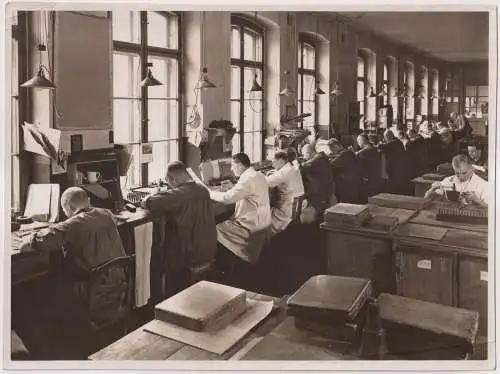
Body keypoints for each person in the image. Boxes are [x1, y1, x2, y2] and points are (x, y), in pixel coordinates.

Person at [19, 187, 126, 326]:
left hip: (95, 291)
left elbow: (41, 241)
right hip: (119, 284)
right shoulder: (107, 214)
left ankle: (64, 333)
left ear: (68, 207)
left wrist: (28, 240)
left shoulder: (75, 223)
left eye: (64, 211)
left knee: (46, 287)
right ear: (87, 201)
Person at [141, 161, 217, 295]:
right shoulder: (203, 189)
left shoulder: (179, 194)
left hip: (188, 257)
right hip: (207, 252)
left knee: (157, 257)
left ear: (172, 179)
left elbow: (149, 202)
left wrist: (149, 196)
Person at [209, 153, 271, 269]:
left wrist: (209, 192)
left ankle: (223, 265)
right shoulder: (258, 175)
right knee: (225, 220)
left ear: (240, 165)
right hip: (264, 222)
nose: (231, 169)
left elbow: (227, 198)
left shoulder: (248, 179)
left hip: (251, 226)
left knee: (215, 229)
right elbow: (244, 191)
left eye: (233, 165)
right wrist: (232, 188)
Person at [424, 154, 488, 207]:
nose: (461, 177)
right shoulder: (448, 180)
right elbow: (425, 199)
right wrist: (431, 190)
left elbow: (492, 211)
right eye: (457, 173)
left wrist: (477, 200)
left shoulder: (483, 184)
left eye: (464, 173)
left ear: (471, 168)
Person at [266, 151, 304, 235]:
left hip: (286, 209)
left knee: (262, 219)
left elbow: (266, 182)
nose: (272, 165)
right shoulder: (291, 167)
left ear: (281, 161)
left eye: (274, 162)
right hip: (297, 203)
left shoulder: (284, 172)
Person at [300, 142, 335, 215]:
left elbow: (304, 167)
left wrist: (299, 165)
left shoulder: (314, 162)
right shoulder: (323, 158)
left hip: (319, 194)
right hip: (327, 192)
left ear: (308, 152)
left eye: (304, 154)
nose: (303, 157)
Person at [327, 138, 362, 203]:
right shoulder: (347, 152)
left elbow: (331, 165)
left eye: (332, 149)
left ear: (336, 146)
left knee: (347, 204)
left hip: (348, 185)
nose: (332, 151)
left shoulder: (344, 154)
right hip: (353, 182)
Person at [378, 129, 409, 195]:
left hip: (394, 167)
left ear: (387, 136)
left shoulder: (393, 143)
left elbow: (382, 147)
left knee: (394, 185)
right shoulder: (398, 142)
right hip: (400, 166)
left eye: (385, 137)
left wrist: (379, 144)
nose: (385, 138)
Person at [355, 133, 383, 201]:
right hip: (376, 177)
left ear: (362, 140)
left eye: (358, 141)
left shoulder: (363, 152)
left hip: (367, 179)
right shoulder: (375, 149)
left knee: (366, 200)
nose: (357, 143)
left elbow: (361, 167)